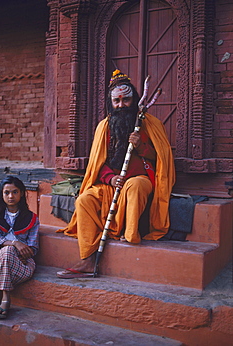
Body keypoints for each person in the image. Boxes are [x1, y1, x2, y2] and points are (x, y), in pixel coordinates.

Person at [57, 69, 175, 279]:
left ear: (135, 100)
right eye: (117, 101)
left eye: (126, 100)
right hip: (111, 184)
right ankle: (88, 258)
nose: (121, 105)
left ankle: (130, 237)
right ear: (110, 102)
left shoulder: (150, 124)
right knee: (84, 200)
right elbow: (96, 163)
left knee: (135, 186)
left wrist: (141, 147)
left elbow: (162, 160)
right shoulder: (104, 126)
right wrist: (111, 178)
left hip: (140, 179)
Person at [0, 176, 39, 319]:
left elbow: (33, 247)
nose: (11, 196)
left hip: (23, 264)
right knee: (8, 251)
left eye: (15, 192)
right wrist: (15, 243)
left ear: (22, 193)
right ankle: (6, 299)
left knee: (8, 253)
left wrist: (22, 253)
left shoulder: (32, 218)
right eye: (7, 192)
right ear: (1, 194)